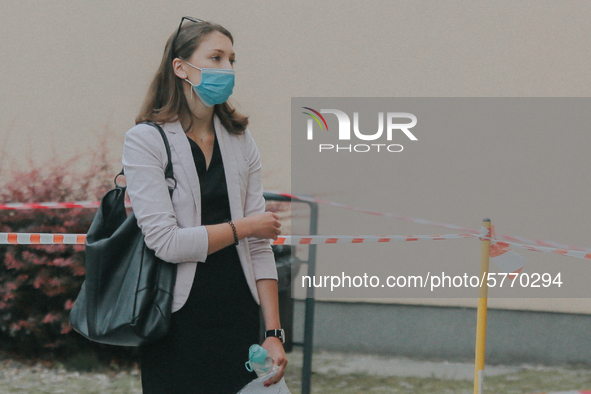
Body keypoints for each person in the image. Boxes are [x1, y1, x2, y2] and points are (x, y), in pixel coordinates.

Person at [121, 17, 287, 393]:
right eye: (215, 57)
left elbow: (260, 246)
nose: (227, 69)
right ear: (181, 67)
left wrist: (273, 332)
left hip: (238, 319)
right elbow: (166, 242)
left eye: (231, 60)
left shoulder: (241, 140)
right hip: (174, 320)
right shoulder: (145, 140)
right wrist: (245, 227)